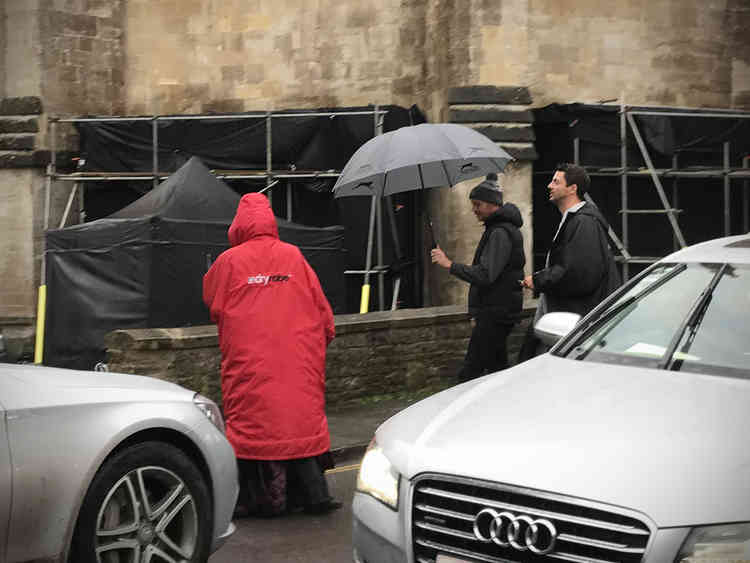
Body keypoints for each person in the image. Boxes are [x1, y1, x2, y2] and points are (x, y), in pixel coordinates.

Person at [203, 192, 341, 517]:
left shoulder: (229, 262)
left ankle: (259, 498)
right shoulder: (294, 256)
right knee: (299, 422)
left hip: (251, 362)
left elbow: (214, 302)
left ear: (238, 225)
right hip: (299, 359)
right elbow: (324, 315)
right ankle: (311, 495)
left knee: (254, 423)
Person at [519, 163, 620, 360]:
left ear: (573, 188)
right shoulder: (575, 220)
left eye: (556, 182)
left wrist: (539, 280)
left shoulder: (584, 222)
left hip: (577, 323)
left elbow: (580, 273)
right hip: (570, 320)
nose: (549, 185)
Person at [431, 173, 525, 383]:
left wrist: (449, 265)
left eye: (477, 204)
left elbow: (485, 274)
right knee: (496, 370)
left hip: (495, 312)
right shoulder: (499, 229)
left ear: (493, 204)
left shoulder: (500, 232)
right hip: (498, 310)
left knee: (471, 371)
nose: (474, 210)